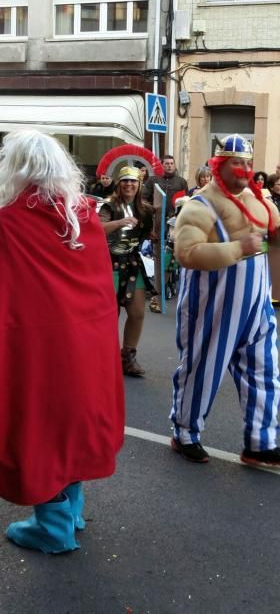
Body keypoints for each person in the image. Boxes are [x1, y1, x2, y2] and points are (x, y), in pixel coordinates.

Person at [0, 130, 124, 554]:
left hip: (34, 349)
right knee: (72, 424)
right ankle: (71, 510)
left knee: (37, 427)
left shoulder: (8, 220)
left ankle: (52, 527)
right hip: (87, 344)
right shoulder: (85, 215)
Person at [170, 134, 280, 467]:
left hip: (257, 304)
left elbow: (270, 244)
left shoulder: (261, 202)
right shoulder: (200, 205)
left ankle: (261, 442)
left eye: (247, 162)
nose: (243, 169)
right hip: (212, 305)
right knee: (202, 368)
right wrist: (237, 249)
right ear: (219, 165)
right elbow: (186, 253)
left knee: (264, 372)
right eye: (236, 162)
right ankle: (185, 433)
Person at [99, 166, 155, 376]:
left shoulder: (146, 209)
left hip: (132, 263)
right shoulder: (109, 206)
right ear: (118, 184)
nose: (129, 185)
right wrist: (120, 222)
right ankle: (105, 356)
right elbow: (97, 228)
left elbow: (149, 233)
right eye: (125, 181)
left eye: (133, 181)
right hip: (109, 263)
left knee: (138, 312)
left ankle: (128, 357)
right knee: (110, 314)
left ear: (139, 185)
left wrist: (153, 237)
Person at [143, 155, 188, 313]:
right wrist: (152, 217)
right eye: (166, 163)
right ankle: (156, 294)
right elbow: (144, 200)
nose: (169, 166)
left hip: (175, 225)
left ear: (175, 165)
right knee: (157, 258)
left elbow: (185, 202)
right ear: (162, 165)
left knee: (171, 260)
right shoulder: (153, 181)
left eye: (171, 163)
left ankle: (176, 291)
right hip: (157, 224)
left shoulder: (181, 182)